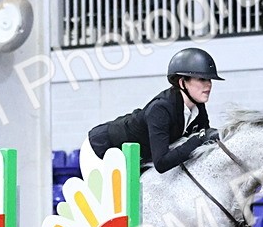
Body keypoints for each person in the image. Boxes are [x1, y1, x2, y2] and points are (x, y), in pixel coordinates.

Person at [86, 48, 223, 174]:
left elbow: (204, 141)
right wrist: (199, 139)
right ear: (182, 83)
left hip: (137, 159)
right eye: (202, 79)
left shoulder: (198, 108)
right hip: (100, 148)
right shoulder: (160, 109)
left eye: (210, 79)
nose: (209, 84)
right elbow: (161, 164)